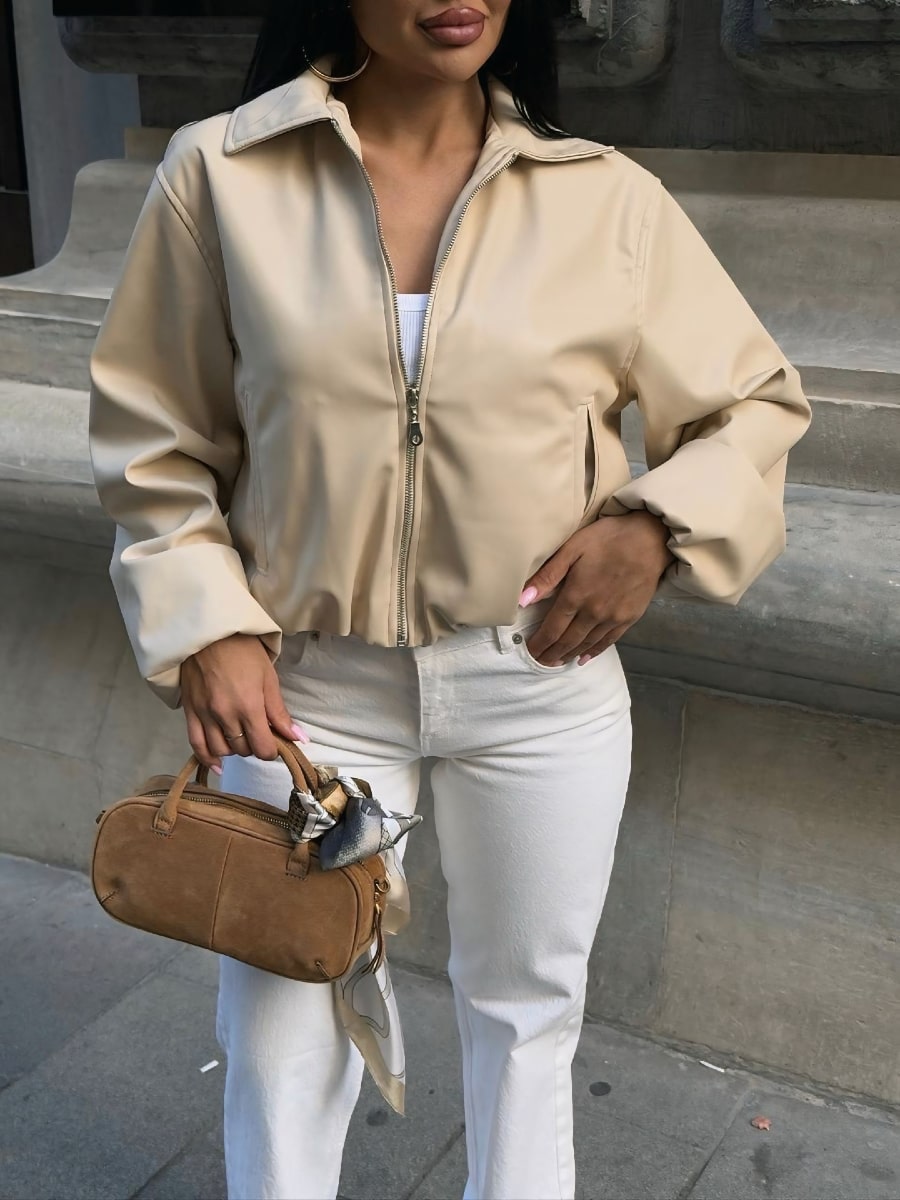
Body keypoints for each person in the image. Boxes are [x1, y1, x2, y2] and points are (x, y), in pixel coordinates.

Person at [87, 1, 812, 1196]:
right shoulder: (221, 173)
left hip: (540, 676)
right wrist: (206, 622)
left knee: (529, 1016)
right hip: (303, 691)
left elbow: (755, 402)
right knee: (279, 1034)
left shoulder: (605, 198)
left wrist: (655, 524)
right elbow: (154, 434)